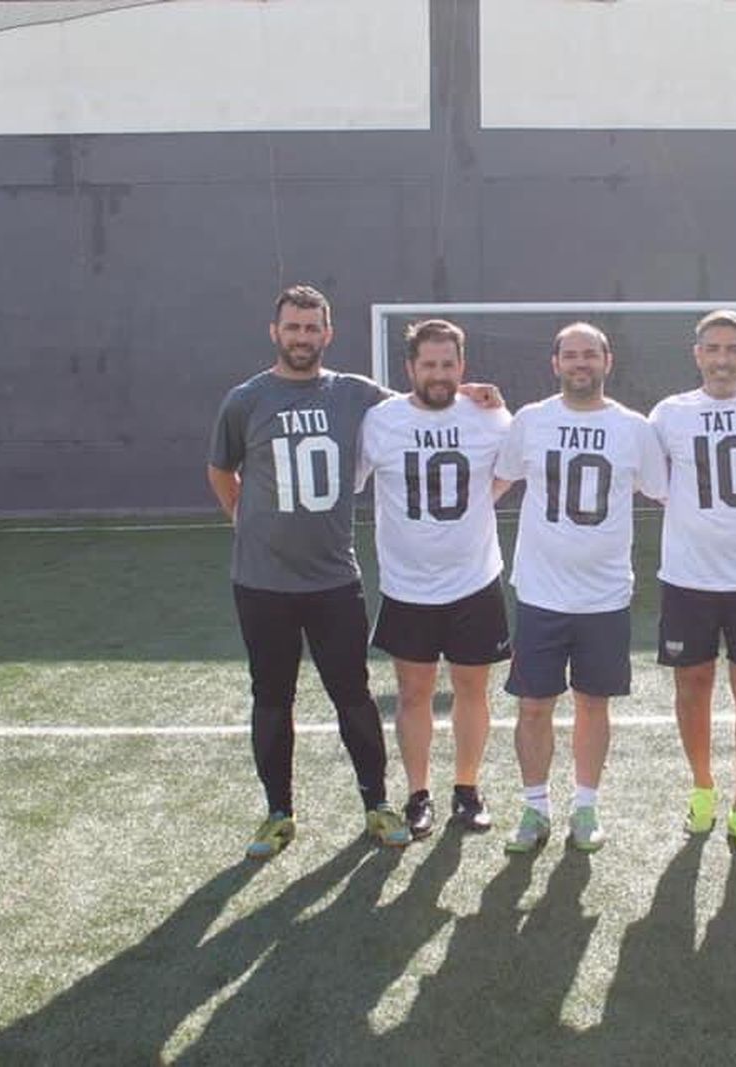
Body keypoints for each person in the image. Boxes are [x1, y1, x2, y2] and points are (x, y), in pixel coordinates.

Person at [206, 284, 410, 858]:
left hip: (333, 580)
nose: (302, 337)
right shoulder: (245, 400)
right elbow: (222, 472)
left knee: (354, 695)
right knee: (272, 696)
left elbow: (414, 409)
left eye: (311, 327)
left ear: (328, 333)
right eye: (292, 327)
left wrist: (469, 395)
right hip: (262, 582)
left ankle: (376, 802)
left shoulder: (353, 394)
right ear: (276, 333)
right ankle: (278, 812)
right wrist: (248, 525)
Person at [492, 322, 669, 853]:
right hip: (541, 593)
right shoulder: (530, 420)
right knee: (533, 706)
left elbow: (667, 493)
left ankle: (586, 807)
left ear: (607, 361)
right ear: (555, 364)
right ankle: (534, 808)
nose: (580, 363)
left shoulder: (634, 428)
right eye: (570, 355)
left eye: (590, 354)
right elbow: (497, 483)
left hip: (604, 595)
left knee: (595, 704)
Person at [357, 318, 512, 838]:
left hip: (474, 579)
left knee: (473, 687)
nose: (440, 374)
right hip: (407, 584)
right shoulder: (381, 421)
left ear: (462, 367)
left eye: (448, 364)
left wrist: (478, 505)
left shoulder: (488, 416)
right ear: (410, 368)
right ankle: (418, 793)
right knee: (412, 690)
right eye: (429, 364)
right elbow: (354, 479)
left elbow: (511, 468)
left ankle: (467, 790)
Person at [648, 310, 736, 854]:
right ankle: (703, 788)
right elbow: (654, 477)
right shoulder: (670, 412)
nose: (723, 358)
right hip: (687, 577)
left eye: (733, 348)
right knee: (693, 686)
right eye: (713, 348)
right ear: (697, 354)